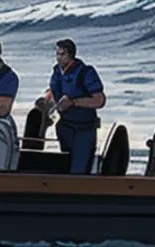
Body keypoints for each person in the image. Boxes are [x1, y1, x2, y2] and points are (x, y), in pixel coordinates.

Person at [35, 39, 106, 174]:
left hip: (83, 128)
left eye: (62, 54)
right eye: (57, 54)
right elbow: (54, 91)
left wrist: (74, 102)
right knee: (65, 165)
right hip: (64, 126)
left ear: (71, 55)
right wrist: (46, 101)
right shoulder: (57, 72)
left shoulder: (85, 72)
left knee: (78, 170)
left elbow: (99, 100)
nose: (59, 58)